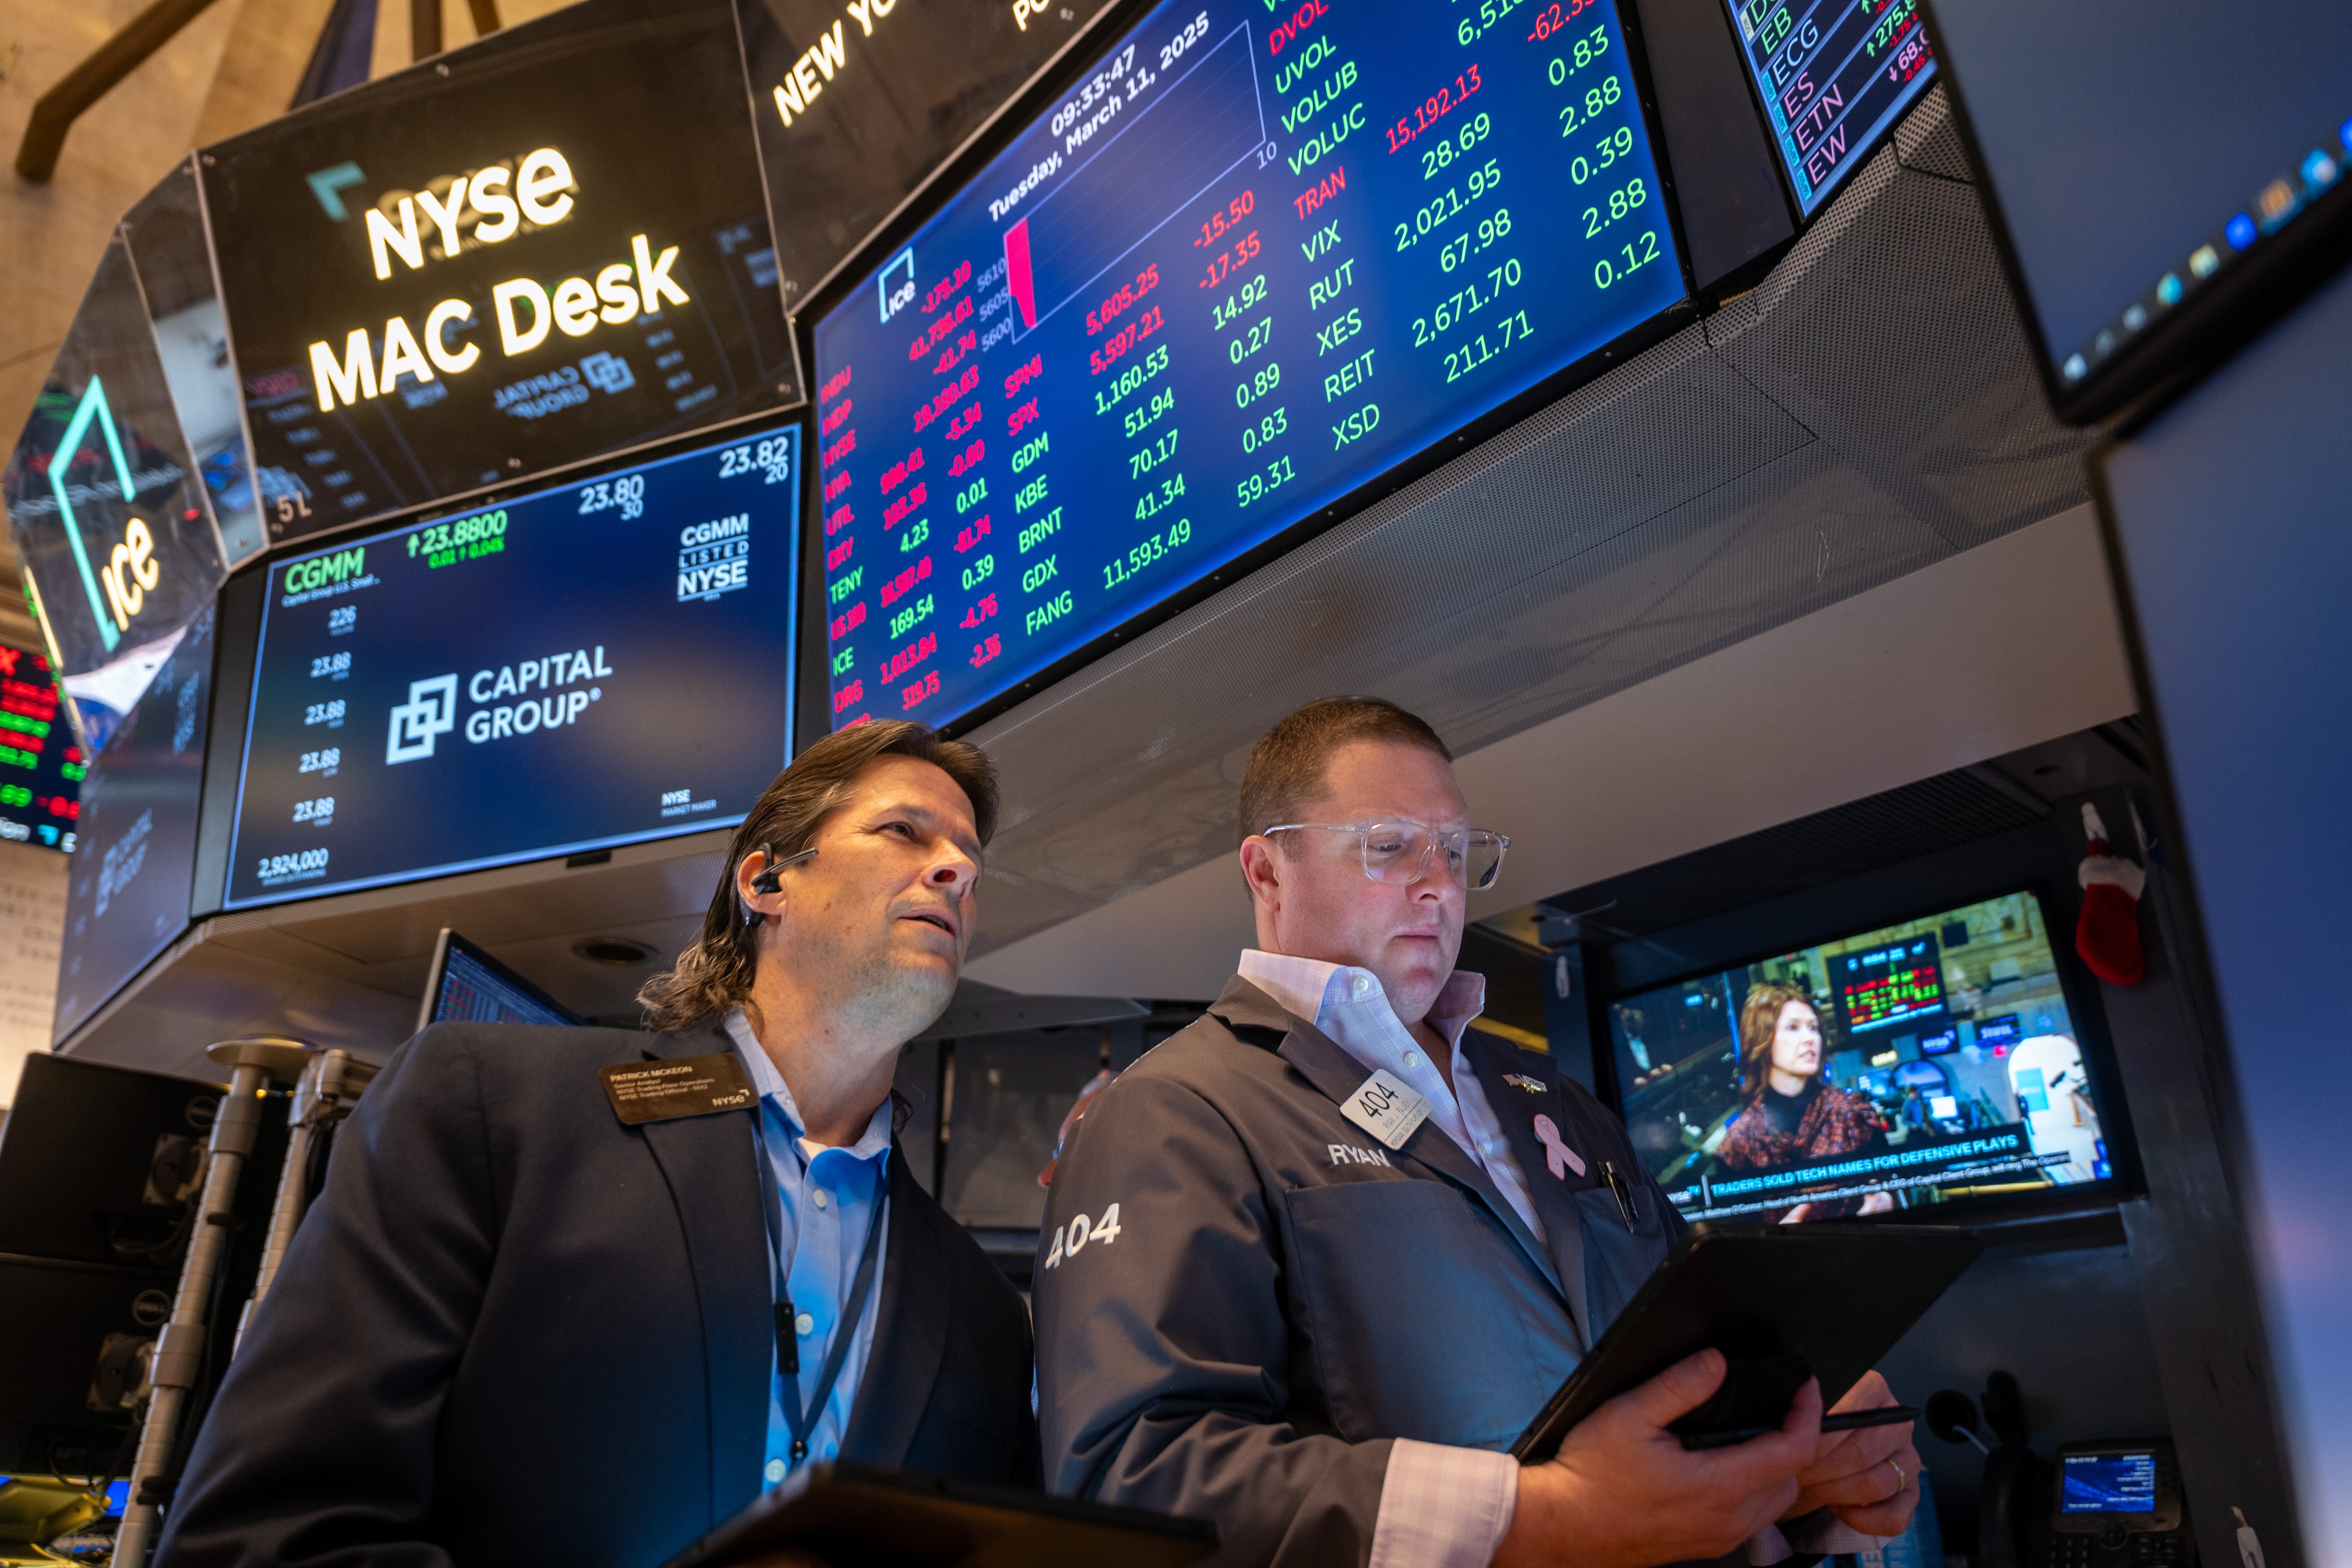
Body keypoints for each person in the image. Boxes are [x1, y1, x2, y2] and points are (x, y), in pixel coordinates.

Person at [1033, 697, 1920, 1568]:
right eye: (1389, 846)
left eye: (1456, 850)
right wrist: (1542, 1521)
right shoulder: (1176, 1107)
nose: (1438, 882)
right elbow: (1136, 1477)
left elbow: (1682, 1379)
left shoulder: (1553, 1100)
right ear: (1267, 872)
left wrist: (1793, 1466)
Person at [157, 722, 1038, 1568]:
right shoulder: (494, 1107)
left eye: (969, 858)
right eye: (904, 831)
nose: (958, 869)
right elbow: (264, 1532)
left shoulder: (981, 1307)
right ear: (766, 881)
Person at [1713, 985, 1892, 1221]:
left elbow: (1896, 1181)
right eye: (1793, 1028)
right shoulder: (1739, 1144)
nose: (1809, 1038)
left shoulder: (1855, 1115)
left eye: (1813, 1028)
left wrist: (1887, 1199)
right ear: (1763, 1039)